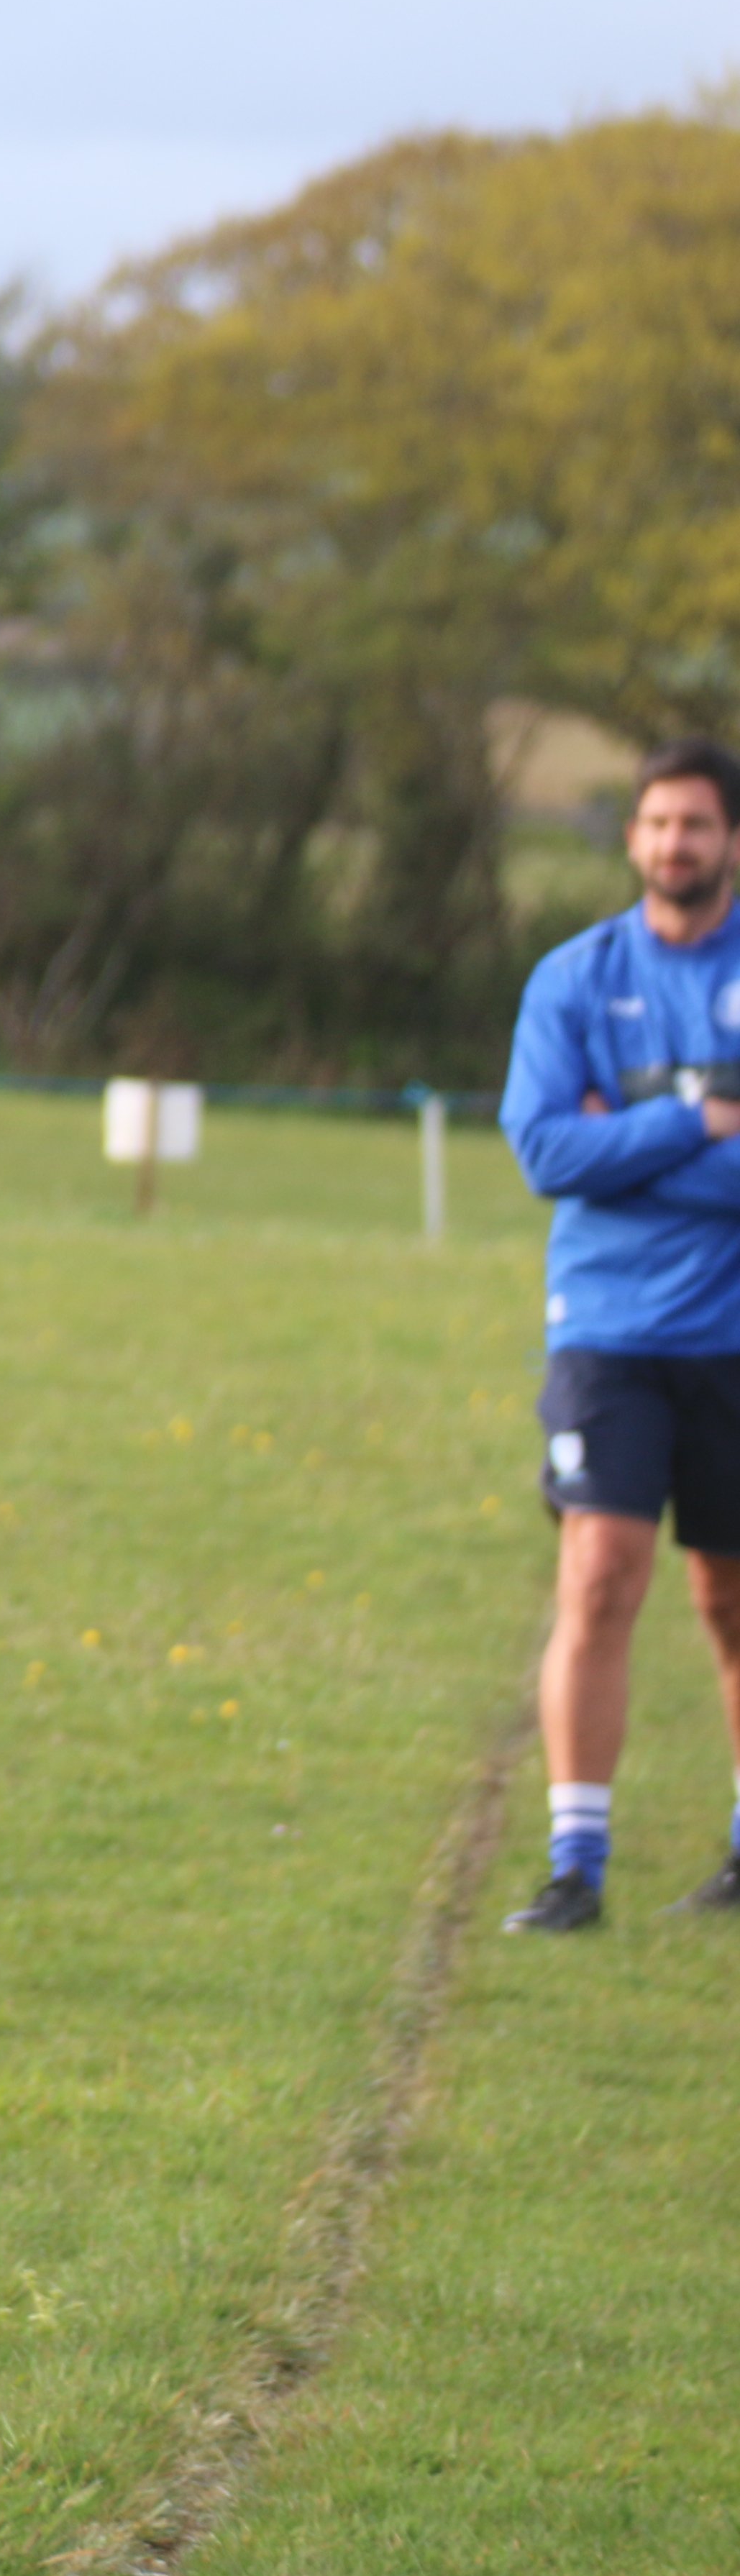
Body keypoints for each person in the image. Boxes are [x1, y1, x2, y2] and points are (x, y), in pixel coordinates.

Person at [499, 735, 740, 1931]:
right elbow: (546, 1150)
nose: (673, 844)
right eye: (655, 823)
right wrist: (701, 1122)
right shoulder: (575, 977)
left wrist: (627, 1141)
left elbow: (589, 1150)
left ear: (731, 838)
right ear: (634, 836)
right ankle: (575, 1865)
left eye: (695, 823)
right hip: (606, 1326)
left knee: (728, 1599)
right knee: (600, 1575)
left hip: (735, 1338)